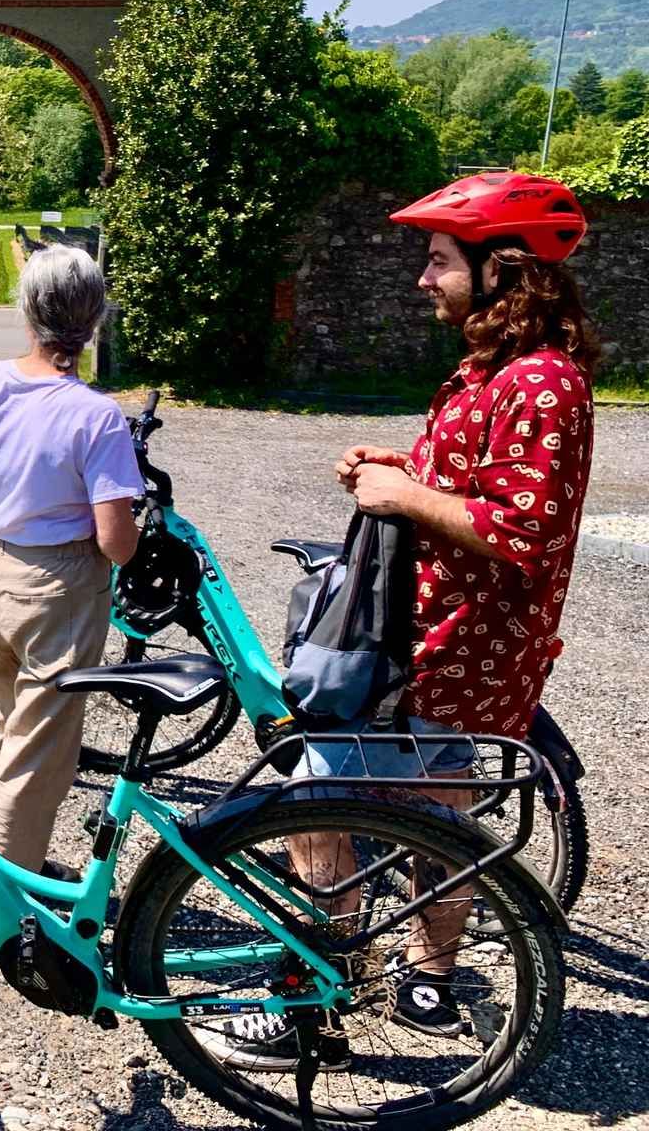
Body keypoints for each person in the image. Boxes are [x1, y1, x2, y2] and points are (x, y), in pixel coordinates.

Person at [216, 172, 599, 1071]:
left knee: (316, 796)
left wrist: (405, 493)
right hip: (440, 647)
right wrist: (399, 467)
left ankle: (312, 1005)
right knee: (440, 802)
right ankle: (428, 982)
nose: (423, 279)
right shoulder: (492, 372)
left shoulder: (541, 385)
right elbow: (471, 483)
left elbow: (525, 529)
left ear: (502, 271)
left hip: (445, 652)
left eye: (437, 261)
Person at [0, 246, 141, 945]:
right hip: (61, 583)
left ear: (28, 312)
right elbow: (114, 540)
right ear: (94, 317)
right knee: (39, 745)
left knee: (17, 722)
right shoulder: (95, 416)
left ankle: (17, 851)